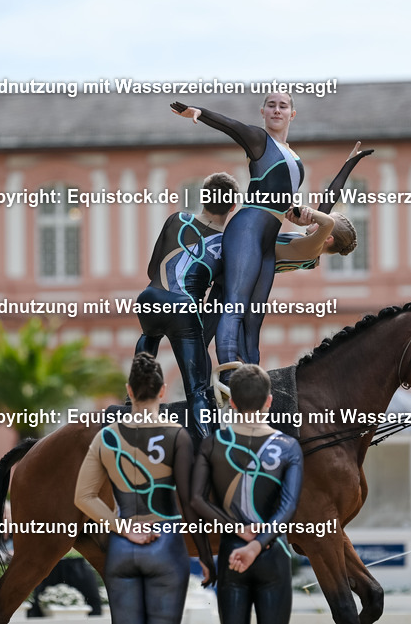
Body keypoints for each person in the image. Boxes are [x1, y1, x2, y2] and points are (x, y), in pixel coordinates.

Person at [172, 96, 369, 368]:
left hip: (264, 243)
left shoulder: (294, 157)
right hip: (247, 229)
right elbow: (233, 127)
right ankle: (229, 372)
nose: (277, 110)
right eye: (271, 105)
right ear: (262, 111)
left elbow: (324, 212)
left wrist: (345, 169)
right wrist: (200, 112)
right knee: (236, 306)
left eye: (283, 106)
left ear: (293, 114)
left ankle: (250, 376)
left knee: (254, 318)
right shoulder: (260, 141)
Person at [75, 353, 214, 624]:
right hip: (167, 546)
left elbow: (84, 497)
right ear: (163, 391)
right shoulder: (177, 434)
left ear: (129, 391)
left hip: (122, 547)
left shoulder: (107, 436)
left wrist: (122, 527)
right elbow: (189, 500)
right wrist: (205, 555)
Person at [191, 363, 303, 624]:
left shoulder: (213, 444)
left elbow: (196, 499)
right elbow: (288, 507)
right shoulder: (289, 447)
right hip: (273, 553)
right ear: (269, 401)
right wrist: (256, 545)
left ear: (232, 403)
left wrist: (240, 533)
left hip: (232, 551)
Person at [135, 172, 238, 438]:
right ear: (232, 206)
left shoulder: (177, 219)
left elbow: (151, 270)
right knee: (197, 389)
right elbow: (220, 296)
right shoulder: (229, 246)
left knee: (149, 335)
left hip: (150, 298)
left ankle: (131, 399)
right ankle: (208, 446)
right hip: (184, 308)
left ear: (203, 198)